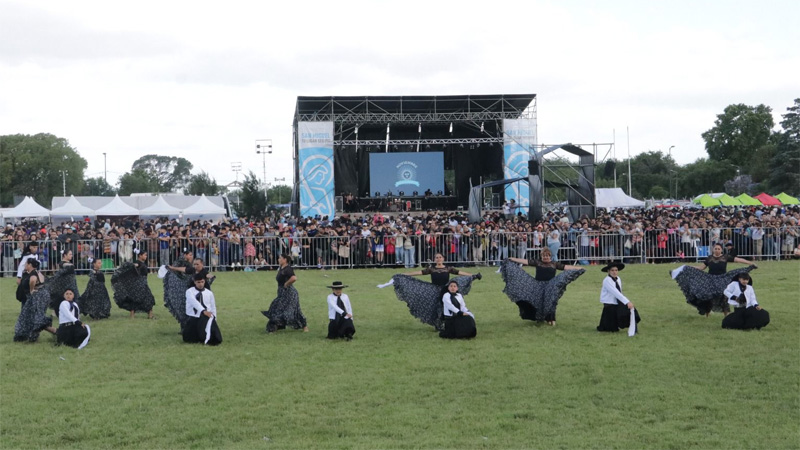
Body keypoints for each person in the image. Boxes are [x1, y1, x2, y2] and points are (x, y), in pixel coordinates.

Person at [378, 252, 481, 331]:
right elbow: (418, 273)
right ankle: (438, 324)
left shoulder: (448, 268)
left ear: (443, 259)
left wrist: (472, 276)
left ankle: (448, 323)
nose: (438, 259)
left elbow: (460, 273)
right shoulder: (431, 269)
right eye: (437, 257)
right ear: (434, 259)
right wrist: (404, 275)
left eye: (440, 257)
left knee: (447, 306)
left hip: (446, 290)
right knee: (435, 308)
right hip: (434, 290)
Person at [502, 248, 585, 326]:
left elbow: (566, 267)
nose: (545, 257)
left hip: (550, 285)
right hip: (538, 286)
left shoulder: (554, 264)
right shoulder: (538, 262)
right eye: (543, 255)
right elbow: (525, 261)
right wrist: (512, 259)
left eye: (547, 255)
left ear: (550, 256)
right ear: (541, 256)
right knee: (538, 302)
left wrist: (578, 268)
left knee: (551, 302)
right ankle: (540, 317)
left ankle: (551, 319)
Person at [671, 243, 757, 316]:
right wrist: (687, 267)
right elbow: (701, 268)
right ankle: (707, 312)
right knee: (708, 296)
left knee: (724, 296)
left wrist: (750, 263)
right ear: (713, 250)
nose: (717, 250)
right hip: (710, 279)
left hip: (723, 279)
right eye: (715, 249)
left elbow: (738, 260)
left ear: (721, 250)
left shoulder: (725, 257)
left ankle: (726, 314)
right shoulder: (709, 258)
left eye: (718, 249)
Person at [261, 253, 309, 333]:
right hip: (281, 292)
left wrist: (287, 284)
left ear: (285, 259)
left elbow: (294, 278)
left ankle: (304, 326)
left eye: (280, 258)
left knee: (293, 310)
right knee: (277, 308)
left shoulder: (288, 269)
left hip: (289, 293)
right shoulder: (281, 268)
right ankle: (275, 327)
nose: (278, 259)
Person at [14, 259, 57, 342]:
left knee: (35, 318)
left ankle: (55, 331)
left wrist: (31, 289)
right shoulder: (36, 272)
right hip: (41, 296)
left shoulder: (33, 273)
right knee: (29, 316)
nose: (25, 265)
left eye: (26, 264)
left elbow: (33, 280)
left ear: (30, 265)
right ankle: (27, 335)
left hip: (38, 297)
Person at [111, 249, 156, 319]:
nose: (146, 256)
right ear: (140, 256)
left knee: (136, 298)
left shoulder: (142, 263)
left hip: (141, 283)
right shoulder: (138, 263)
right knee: (148, 298)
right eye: (145, 255)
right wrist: (132, 265)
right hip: (140, 283)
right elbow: (132, 265)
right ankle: (149, 314)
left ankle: (139, 315)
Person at [597, 262, 640, 333]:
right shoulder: (607, 280)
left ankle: (632, 325)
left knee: (632, 311)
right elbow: (615, 292)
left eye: (616, 270)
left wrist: (625, 302)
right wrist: (627, 302)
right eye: (612, 270)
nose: (614, 272)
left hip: (617, 302)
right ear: (608, 271)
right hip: (609, 304)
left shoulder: (618, 279)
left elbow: (620, 292)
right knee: (611, 328)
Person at [183, 273, 222, 345]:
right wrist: (203, 311)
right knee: (189, 339)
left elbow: (213, 306)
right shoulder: (189, 291)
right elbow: (194, 302)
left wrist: (214, 318)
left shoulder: (209, 293)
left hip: (206, 317)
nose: (200, 284)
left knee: (215, 338)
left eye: (202, 282)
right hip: (193, 316)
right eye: (198, 282)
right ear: (194, 282)